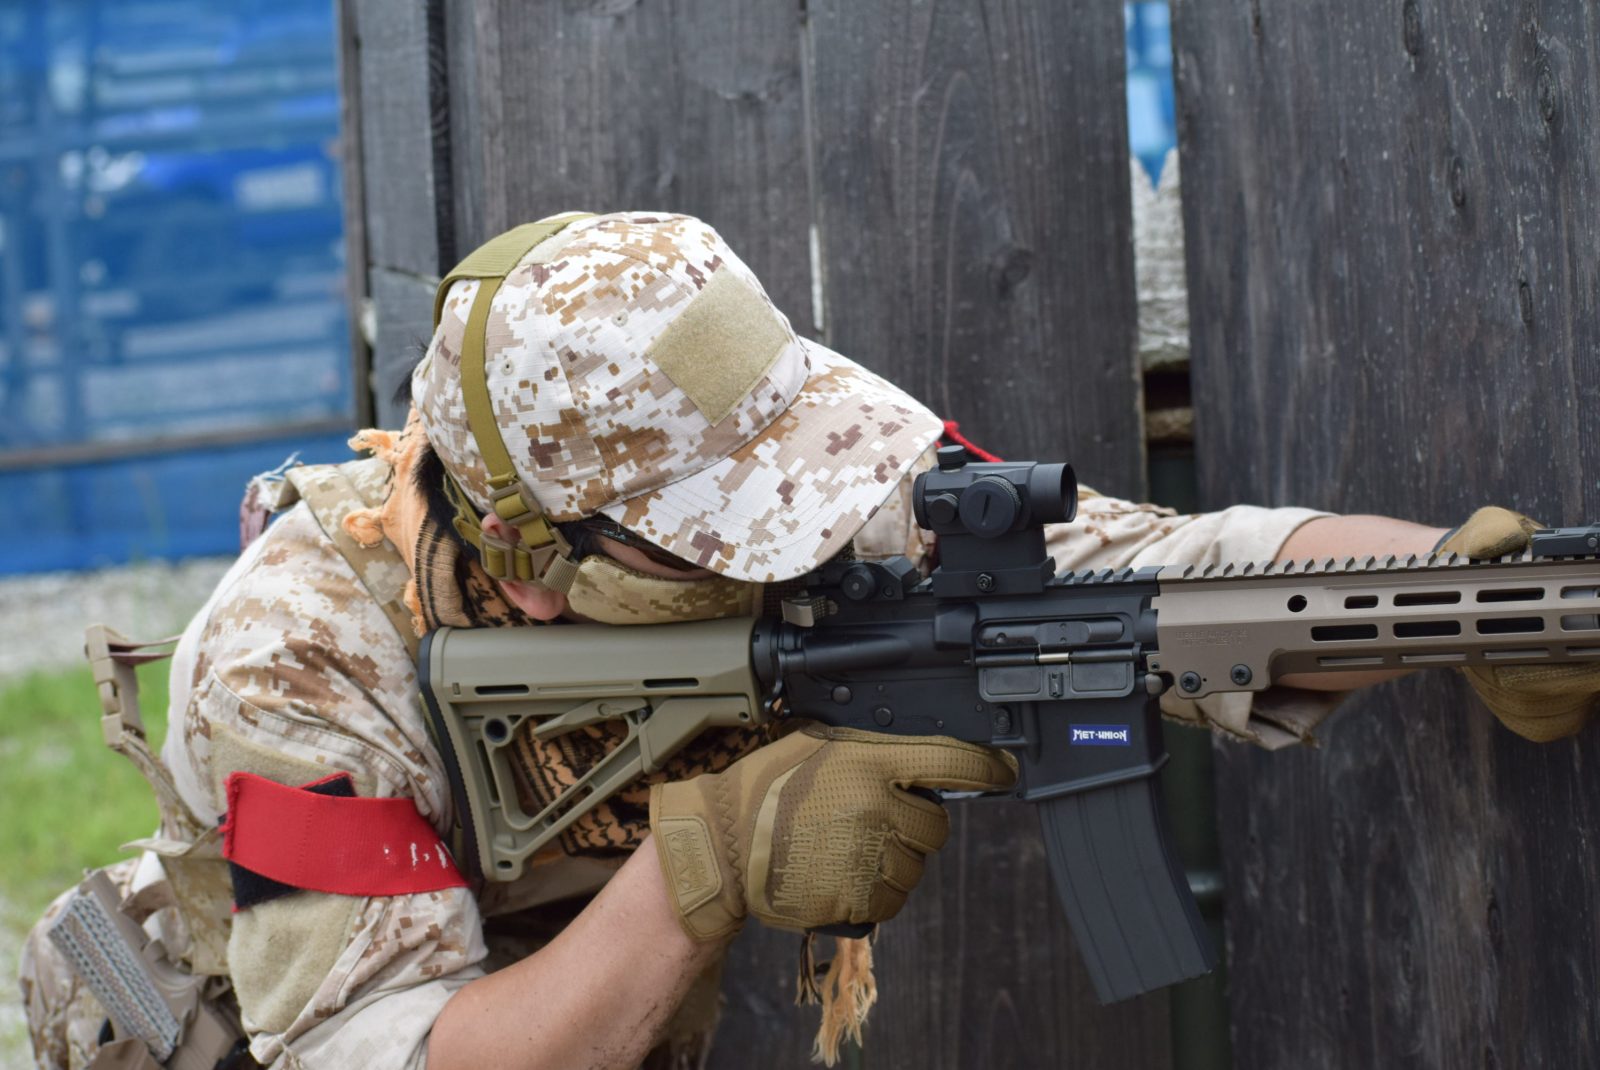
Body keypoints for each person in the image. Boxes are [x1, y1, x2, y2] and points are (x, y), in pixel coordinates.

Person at [17, 212, 1590, 1070]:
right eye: (714, 528)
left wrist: (1460, 598)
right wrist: (707, 859)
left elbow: (1153, 575)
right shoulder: (288, 662)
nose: (795, 532)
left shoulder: (792, 467)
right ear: (532, 565)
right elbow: (397, 1053)